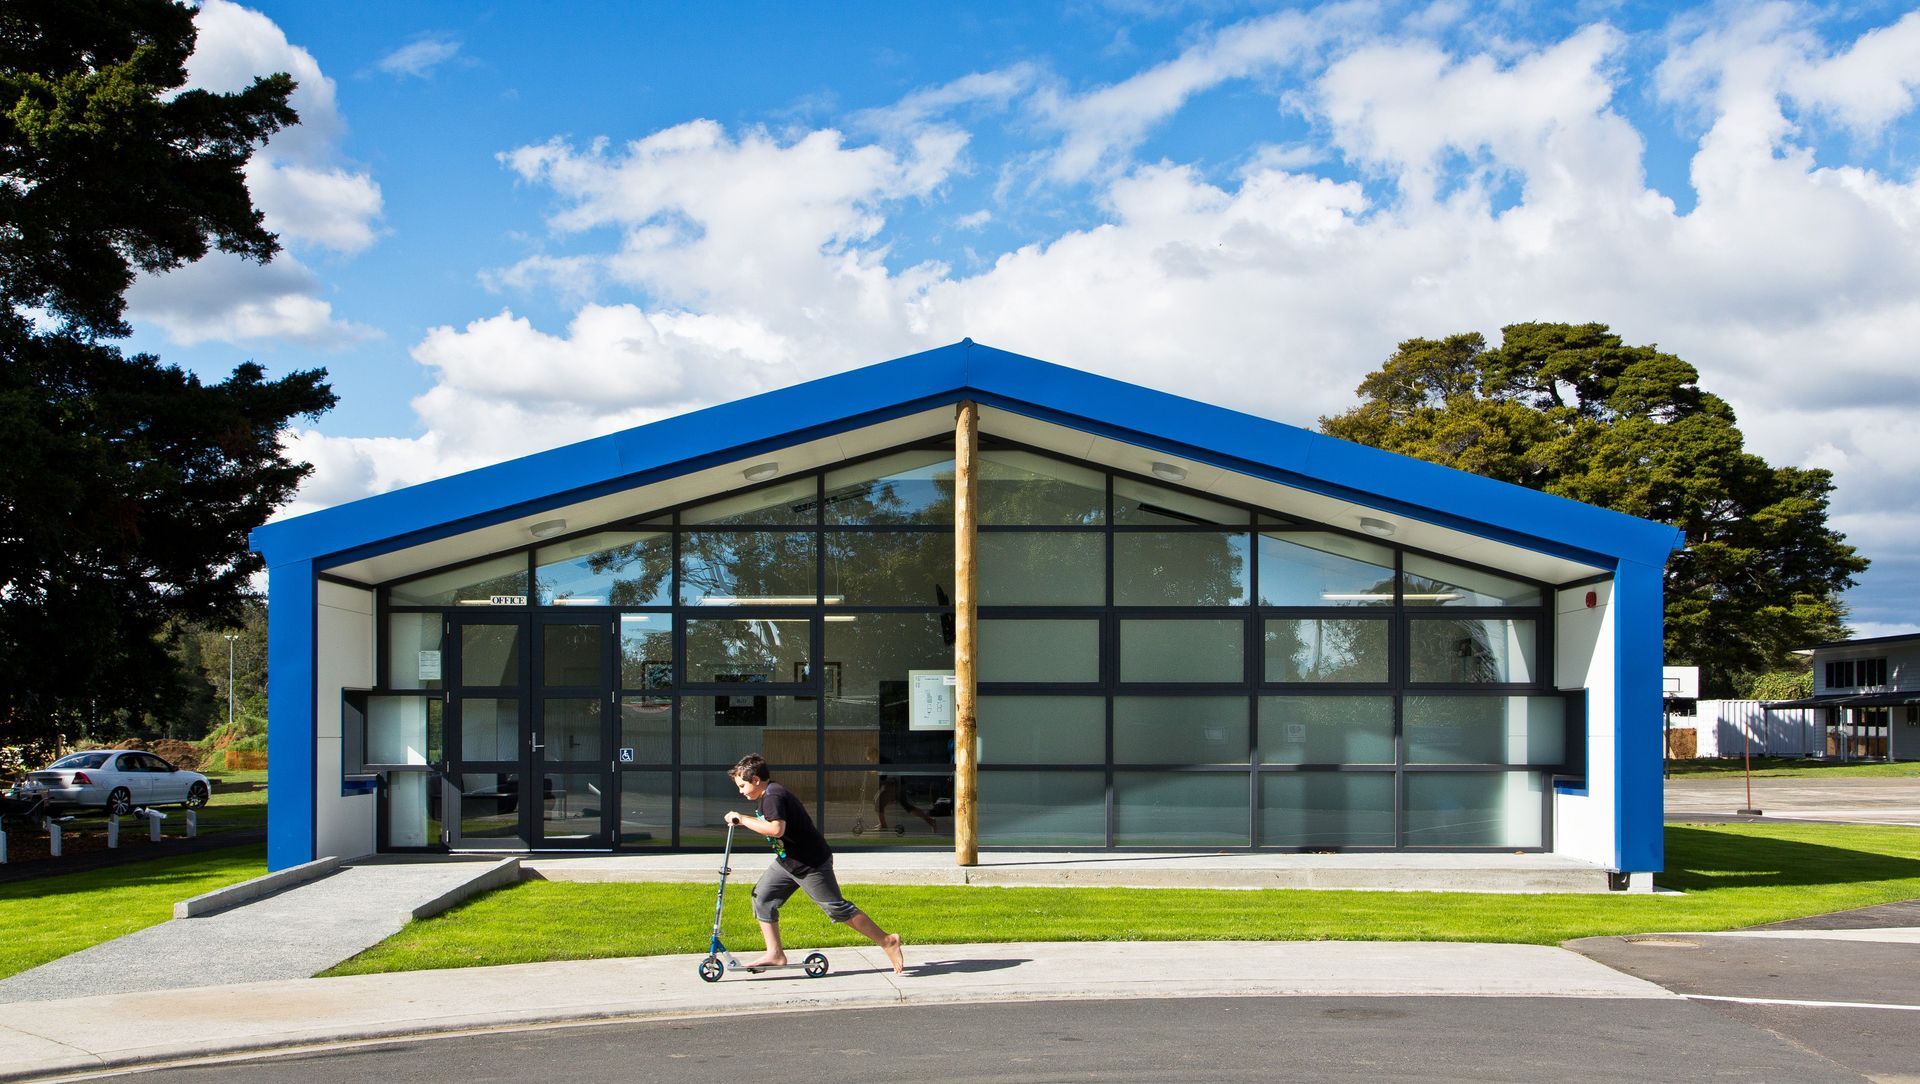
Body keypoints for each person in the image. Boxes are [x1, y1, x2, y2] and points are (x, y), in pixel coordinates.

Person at [724, 754, 905, 973]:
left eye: (742, 786)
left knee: (836, 908)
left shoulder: (773, 796)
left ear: (756, 780)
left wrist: (742, 819)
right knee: (762, 897)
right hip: (788, 862)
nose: (741, 791)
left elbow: (776, 829)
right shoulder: (767, 794)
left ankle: (888, 941)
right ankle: (775, 953)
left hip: (810, 863)